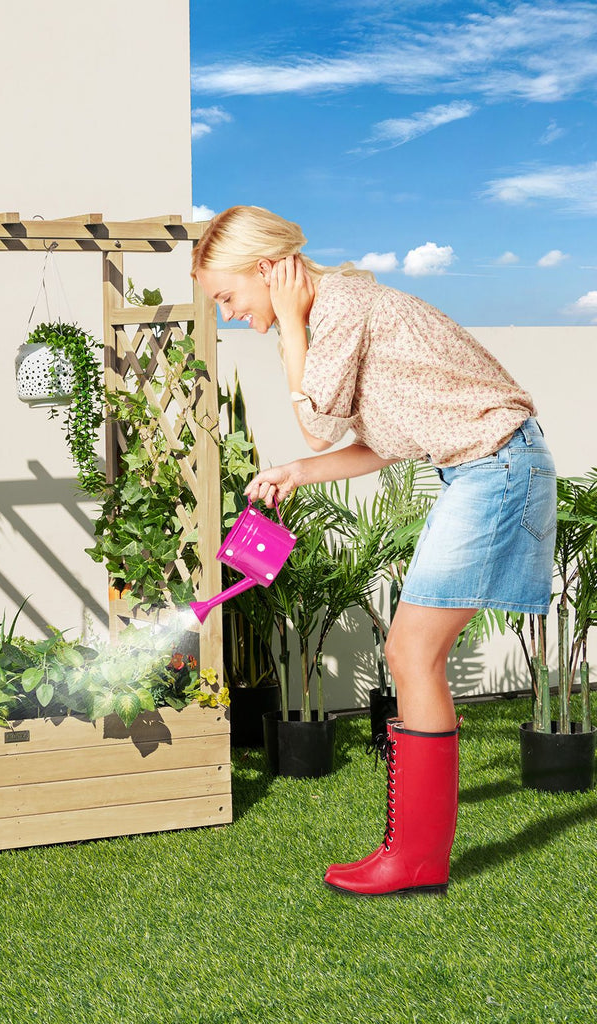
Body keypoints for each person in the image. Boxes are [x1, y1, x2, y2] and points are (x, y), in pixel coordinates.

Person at [193, 205, 557, 897]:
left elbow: (319, 422)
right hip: (484, 466)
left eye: (228, 297)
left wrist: (293, 327)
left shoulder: (338, 308)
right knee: (414, 652)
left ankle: (416, 858)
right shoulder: (340, 311)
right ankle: (413, 851)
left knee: (411, 652)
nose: (231, 312)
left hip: (495, 467)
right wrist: (298, 471)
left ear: (268, 268)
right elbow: (386, 439)